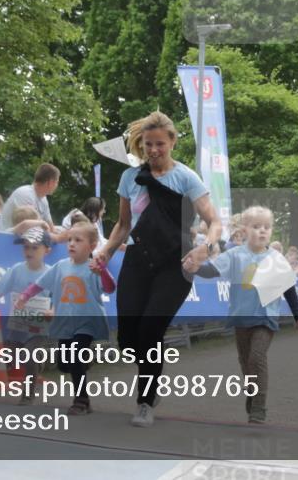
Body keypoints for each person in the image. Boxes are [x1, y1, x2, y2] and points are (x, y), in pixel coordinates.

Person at [92, 111, 221, 427]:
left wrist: (206, 246)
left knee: (151, 330)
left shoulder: (186, 178)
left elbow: (214, 221)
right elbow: (123, 225)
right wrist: (106, 252)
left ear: (172, 142)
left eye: (160, 144)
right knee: (127, 339)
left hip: (175, 263)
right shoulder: (130, 178)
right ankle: (153, 378)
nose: (153, 150)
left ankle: (146, 401)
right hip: (137, 260)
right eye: (148, 144)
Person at [183, 206, 298, 424]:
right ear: (244, 230)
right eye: (256, 226)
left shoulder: (276, 259)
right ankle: (252, 390)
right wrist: (195, 268)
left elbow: (289, 288)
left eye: (266, 227)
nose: (262, 231)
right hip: (241, 317)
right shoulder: (234, 255)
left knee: (257, 357)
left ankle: (259, 407)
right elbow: (212, 270)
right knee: (245, 361)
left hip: (265, 317)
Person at [17, 222, 115, 415]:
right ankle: (83, 363)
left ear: (92, 246)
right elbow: (40, 283)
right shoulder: (60, 267)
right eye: (69, 239)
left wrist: (102, 270)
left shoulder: (94, 266)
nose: (71, 243)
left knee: (76, 355)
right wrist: (25, 296)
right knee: (64, 363)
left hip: (87, 321)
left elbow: (110, 288)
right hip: (65, 322)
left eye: (78, 240)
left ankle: (81, 400)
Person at [0, 227, 53, 404]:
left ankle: (28, 394)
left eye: (35, 247)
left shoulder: (50, 273)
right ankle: (36, 365)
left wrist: (53, 310)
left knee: (30, 355)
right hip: (18, 324)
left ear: (47, 250)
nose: (29, 251)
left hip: (40, 326)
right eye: (26, 247)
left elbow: (58, 296)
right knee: (13, 354)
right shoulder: (17, 270)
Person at [0, 163, 60, 231]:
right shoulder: (25, 194)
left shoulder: (43, 199)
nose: (57, 185)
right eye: (57, 182)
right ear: (50, 182)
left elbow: (51, 228)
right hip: (5, 238)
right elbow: (32, 229)